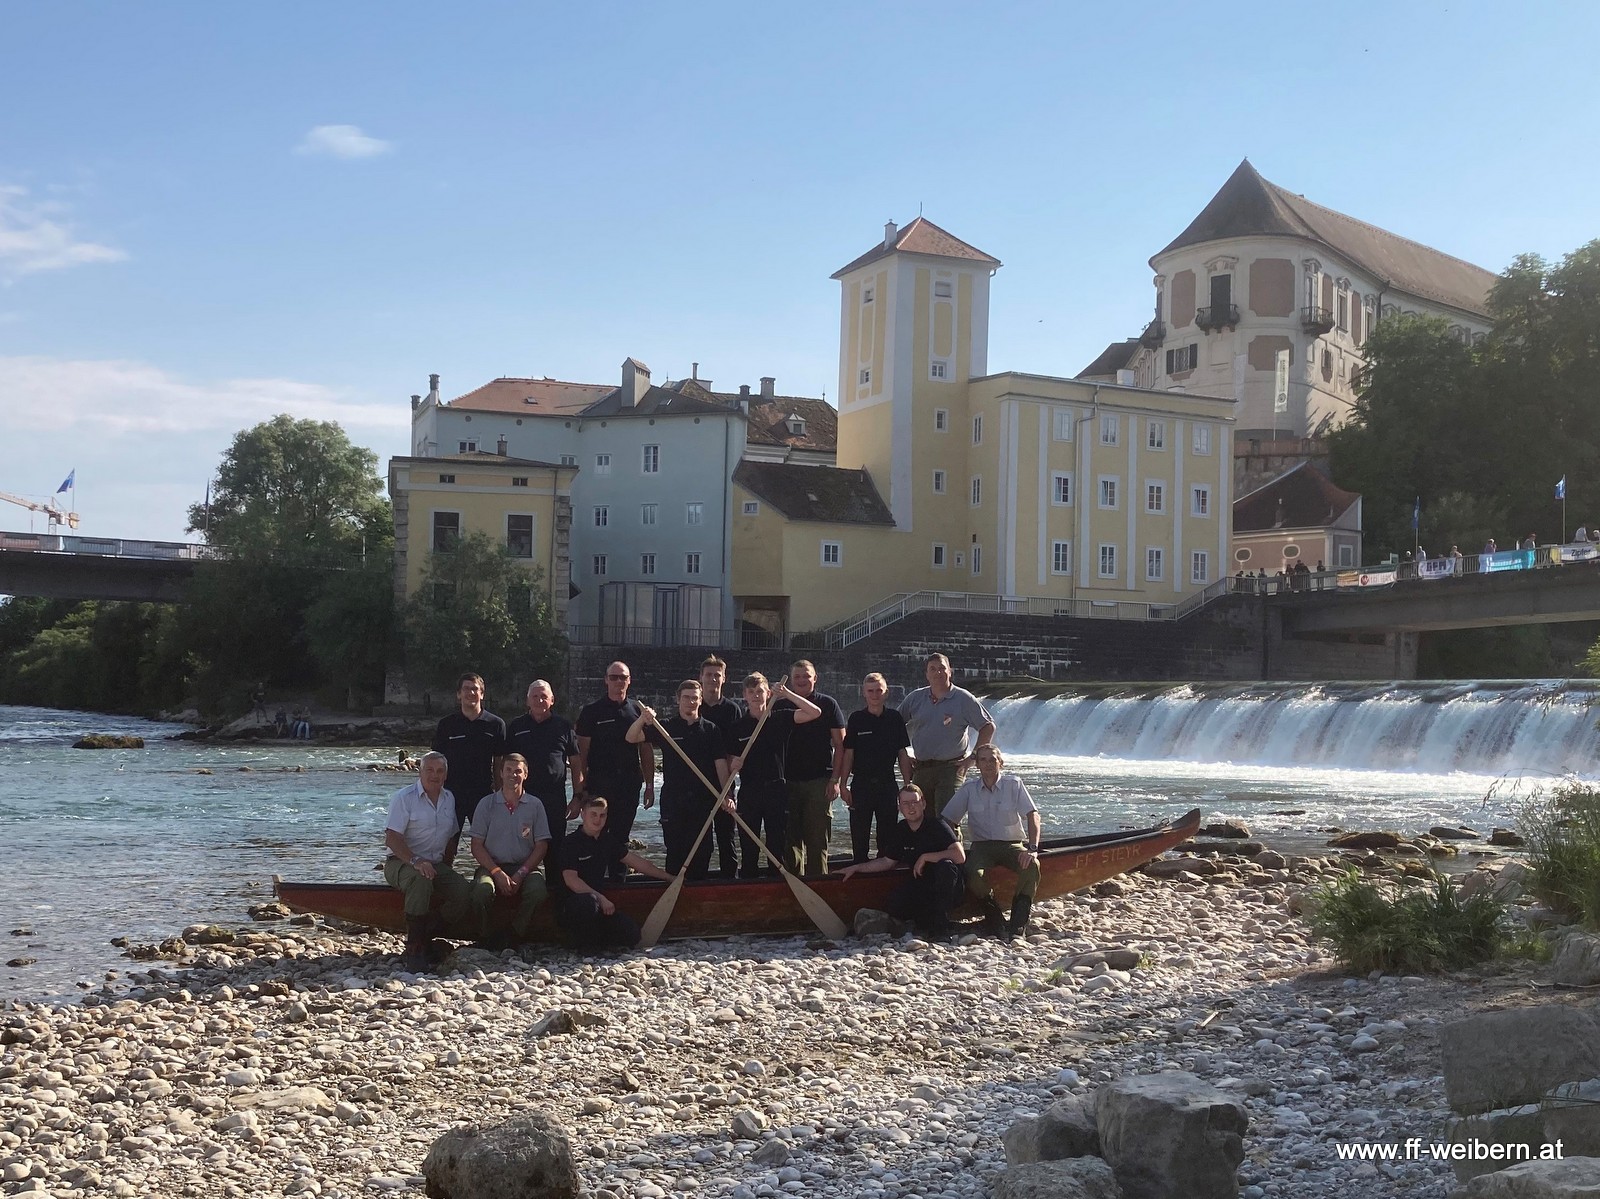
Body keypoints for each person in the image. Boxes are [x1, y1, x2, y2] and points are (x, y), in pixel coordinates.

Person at [626, 680, 731, 879]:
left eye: (694, 698)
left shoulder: (711, 730)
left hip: (702, 802)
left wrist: (726, 794)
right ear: (678, 699)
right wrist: (643, 719)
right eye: (686, 698)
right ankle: (674, 891)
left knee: (702, 852)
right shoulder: (666, 728)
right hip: (674, 801)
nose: (690, 702)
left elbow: (720, 765)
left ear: (700, 701)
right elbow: (631, 737)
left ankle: (697, 896)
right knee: (675, 852)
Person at [383, 752, 475, 970]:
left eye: (440, 771)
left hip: (435, 864)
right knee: (421, 880)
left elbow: (452, 836)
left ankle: (426, 935)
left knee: (464, 892)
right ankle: (415, 951)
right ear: (420, 772)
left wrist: (447, 867)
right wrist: (415, 861)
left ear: (446, 775)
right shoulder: (403, 798)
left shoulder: (449, 798)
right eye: (430, 770)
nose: (435, 775)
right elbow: (392, 838)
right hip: (401, 862)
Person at [836, 785, 966, 941]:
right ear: (899, 808)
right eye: (905, 803)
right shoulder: (900, 830)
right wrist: (857, 867)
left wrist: (926, 857)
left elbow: (959, 856)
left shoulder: (937, 825)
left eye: (914, 802)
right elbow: (887, 862)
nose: (911, 807)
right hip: (922, 885)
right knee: (895, 904)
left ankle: (941, 929)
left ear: (923, 804)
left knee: (946, 866)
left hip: (950, 888)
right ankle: (923, 922)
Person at [943, 745, 1042, 941]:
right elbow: (947, 820)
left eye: (992, 759)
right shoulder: (969, 789)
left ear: (1001, 763)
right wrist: (953, 845)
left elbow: (1033, 815)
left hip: (1012, 844)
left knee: (1032, 866)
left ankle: (1017, 924)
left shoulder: (1014, 784)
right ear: (977, 765)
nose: (988, 764)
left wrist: (1032, 849)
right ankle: (995, 919)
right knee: (971, 872)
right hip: (982, 847)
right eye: (983, 760)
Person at [726, 673, 820, 877]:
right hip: (749, 791)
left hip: (777, 790)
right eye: (751, 692)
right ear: (745, 695)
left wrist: (787, 693)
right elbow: (728, 764)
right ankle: (748, 883)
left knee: (777, 843)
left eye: (760, 691)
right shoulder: (737, 727)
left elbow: (814, 712)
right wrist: (734, 766)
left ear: (768, 693)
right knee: (749, 844)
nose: (756, 696)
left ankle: (777, 883)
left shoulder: (781, 717)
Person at [557, 796, 673, 951]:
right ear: (583, 814)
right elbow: (571, 880)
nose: (598, 820)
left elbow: (637, 863)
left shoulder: (607, 840)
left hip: (600, 906)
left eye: (602, 815)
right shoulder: (570, 842)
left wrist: (669, 877)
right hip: (573, 906)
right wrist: (601, 897)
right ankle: (584, 948)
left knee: (632, 934)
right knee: (589, 903)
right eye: (593, 814)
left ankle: (598, 940)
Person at [575, 662, 655, 883]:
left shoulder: (638, 712)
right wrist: (580, 789)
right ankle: (591, 882)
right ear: (606, 680)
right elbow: (581, 753)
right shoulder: (591, 712)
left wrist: (649, 785)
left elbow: (646, 751)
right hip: (599, 785)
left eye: (623, 677)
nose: (619, 681)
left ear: (629, 681)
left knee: (620, 838)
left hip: (628, 785)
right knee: (595, 834)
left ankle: (618, 883)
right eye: (614, 677)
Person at [466, 753, 551, 947]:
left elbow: (541, 846)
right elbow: (476, 845)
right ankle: (485, 935)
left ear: (526, 775)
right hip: (492, 866)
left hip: (524, 867)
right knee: (481, 892)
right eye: (509, 770)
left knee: (538, 892)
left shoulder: (535, 805)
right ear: (501, 773)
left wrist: (521, 873)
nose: (513, 775)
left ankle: (515, 933)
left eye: (518, 771)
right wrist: (497, 873)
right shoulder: (486, 804)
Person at [899, 653, 996, 820]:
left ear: (950, 671)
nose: (938, 673)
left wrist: (972, 758)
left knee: (947, 820)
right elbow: (893, 725)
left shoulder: (963, 698)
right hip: (921, 769)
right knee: (920, 821)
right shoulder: (915, 698)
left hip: (951, 769)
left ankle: (953, 847)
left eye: (942, 668)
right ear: (927, 674)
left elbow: (988, 726)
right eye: (933, 669)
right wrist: (903, 754)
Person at [775, 661, 847, 877]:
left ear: (815, 678)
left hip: (819, 782)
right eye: (796, 676)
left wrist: (835, 780)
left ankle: (819, 886)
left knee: (818, 841)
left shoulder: (828, 704)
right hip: (787, 782)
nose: (801, 681)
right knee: (790, 841)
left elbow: (841, 745)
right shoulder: (779, 705)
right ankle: (793, 886)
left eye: (806, 676)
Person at [505, 679, 581, 876]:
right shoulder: (516, 726)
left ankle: (554, 894)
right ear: (527, 700)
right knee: (522, 846)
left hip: (554, 799)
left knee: (554, 849)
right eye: (535, 696)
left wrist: (578, 797)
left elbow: (576, 763)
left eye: (544, 696)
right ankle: (521, 891)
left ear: (552, 700)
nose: (540, 700)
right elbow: (505, 764)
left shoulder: (563, 726)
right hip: (522, 798)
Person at [431, 673, 507, 857]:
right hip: (450, 795)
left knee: (490, 847)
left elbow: (499, 763)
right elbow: (435, 762)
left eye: (475, 689)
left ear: (482, 694)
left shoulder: (496, 725)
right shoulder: (447, 725)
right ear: (458, 694)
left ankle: (488, 883)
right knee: (446, 847)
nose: (470, 693)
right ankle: (445, 883)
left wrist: (500, 794)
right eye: (466, 689)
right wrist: (433, 793)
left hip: (483, 795)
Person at [839, 673, 913, 862]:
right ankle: (860, 874)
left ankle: (883, 876)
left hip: (887, 784)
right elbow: (849, 754)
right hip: (861, 785)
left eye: (878, 690)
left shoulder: (894, 718)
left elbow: (902, 753)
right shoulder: (856, 719)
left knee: (887, 837)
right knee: (859, 835)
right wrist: (842, 784)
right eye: (870, 691)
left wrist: (907, 784)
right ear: (864, 693)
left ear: (886, 692)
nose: (874, 695)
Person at [697, 656, 744, 878]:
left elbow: (736, 747)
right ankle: (699, 882)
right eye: (709, 675)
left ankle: (730, 883)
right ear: (701, 678)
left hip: (725, 784)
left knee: (727, 837)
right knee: (701, 842)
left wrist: (727, 780)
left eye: (717, 675)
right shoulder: (693, 706)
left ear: (724, 679)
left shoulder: (732, 710)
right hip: (697, 784)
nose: (713, 679)